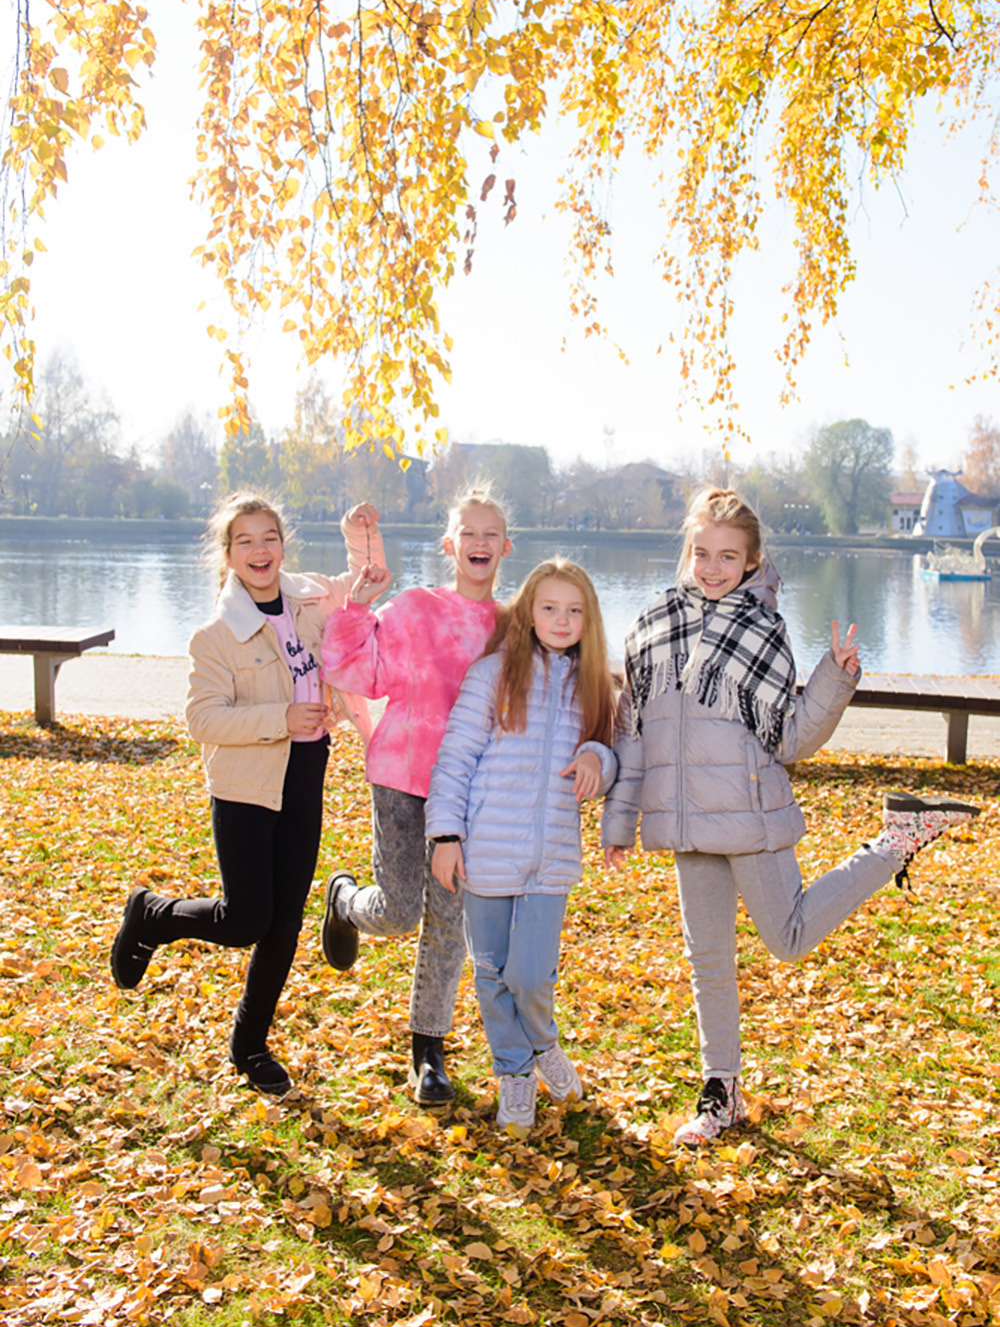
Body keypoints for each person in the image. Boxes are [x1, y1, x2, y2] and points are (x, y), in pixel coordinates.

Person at [602, 486, 979, 1147]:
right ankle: (720, 1092)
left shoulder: (764, 629)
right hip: (687, 826)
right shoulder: (654, 623)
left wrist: (834, 677)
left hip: (750, 818)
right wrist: (619, 821)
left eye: (728, 556)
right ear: (688, 552)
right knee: (708, 961)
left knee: (790, 937)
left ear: (752, 561)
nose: (712, 567)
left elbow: (791, 738)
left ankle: (895, 841)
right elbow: (630, 732)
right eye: (701, 553)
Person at [110, 493, 386, 1096]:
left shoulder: (310, 599)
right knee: (244, 920)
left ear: (283, 545)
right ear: (229, 554)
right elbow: (202, 719)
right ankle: (151, 914)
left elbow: (364, 582)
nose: (260, 550)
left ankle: (250, 1044)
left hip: (306, 771)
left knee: (285, 922)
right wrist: (278, 717)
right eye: (246, 541)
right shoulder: (215, 636)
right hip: (244, 787)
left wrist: (359, 532)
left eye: (269, 538)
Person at [319, 486, 511, 1106]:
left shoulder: (514, 627)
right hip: (403, 777)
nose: (479, 543)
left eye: (491, 534)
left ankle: (428, 1051)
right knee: (401, 912)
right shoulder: (415, 609)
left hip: (471, 793)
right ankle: (344, 900)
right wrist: (356, 606)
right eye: (468, 533)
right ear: (449, 545)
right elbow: (356, 671)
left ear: (506, 548)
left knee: (449, 923)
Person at [425, 560, 618, 1136]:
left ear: (589, 619)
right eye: (550, 608)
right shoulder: (493, 674)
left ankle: (542, 1042)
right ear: (528, 612)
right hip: (486, 849)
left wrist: (597, 760)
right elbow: (455, 757)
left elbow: (610, 751)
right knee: (491, 971)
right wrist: (445, 835)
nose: (561, 620)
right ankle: (514, 1071)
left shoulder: (594, 684)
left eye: (574, 611)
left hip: (550, 855)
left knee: (531, 976)